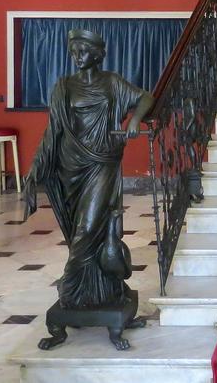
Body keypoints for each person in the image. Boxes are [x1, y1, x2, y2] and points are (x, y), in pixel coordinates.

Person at [24, 29, 153, 309]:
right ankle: (95, 292)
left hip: (103, 164)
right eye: (73, 52)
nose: (77, 57)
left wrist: (134, 120)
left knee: (88, 226)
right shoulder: (63, 87)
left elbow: (146, 97)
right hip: (70, 167)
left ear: (97, 54)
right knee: (79, 230)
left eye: (82, 51)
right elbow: (52, 132)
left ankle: (69, 290)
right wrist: (35, 168)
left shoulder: (112, 82)